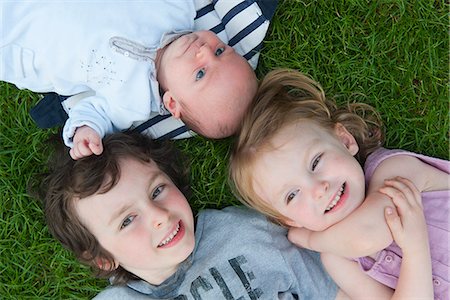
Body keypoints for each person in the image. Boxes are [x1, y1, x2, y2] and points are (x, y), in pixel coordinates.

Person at [39, 131, 341, 299]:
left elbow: (332, 290)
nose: (159, 216)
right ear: (103, 258)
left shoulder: (244, 233)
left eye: (157, 191)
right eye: (127, 220)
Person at [229, 69, 449, 299]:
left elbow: (369, 234)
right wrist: (415, 249)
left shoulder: (392, 170)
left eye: (315, 162)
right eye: (292, 195)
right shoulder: (337, 260)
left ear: (345, 141)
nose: (318, 189)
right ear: (290, 220)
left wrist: (311, 239)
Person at [1, 0, 277, 160]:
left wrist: (87, 131)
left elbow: (94, 112)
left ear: (172, 103)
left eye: (200, 73)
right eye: (220, 50)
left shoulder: (132, 103)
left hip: (24, 40)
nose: (204, 51)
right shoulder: (177, 10)